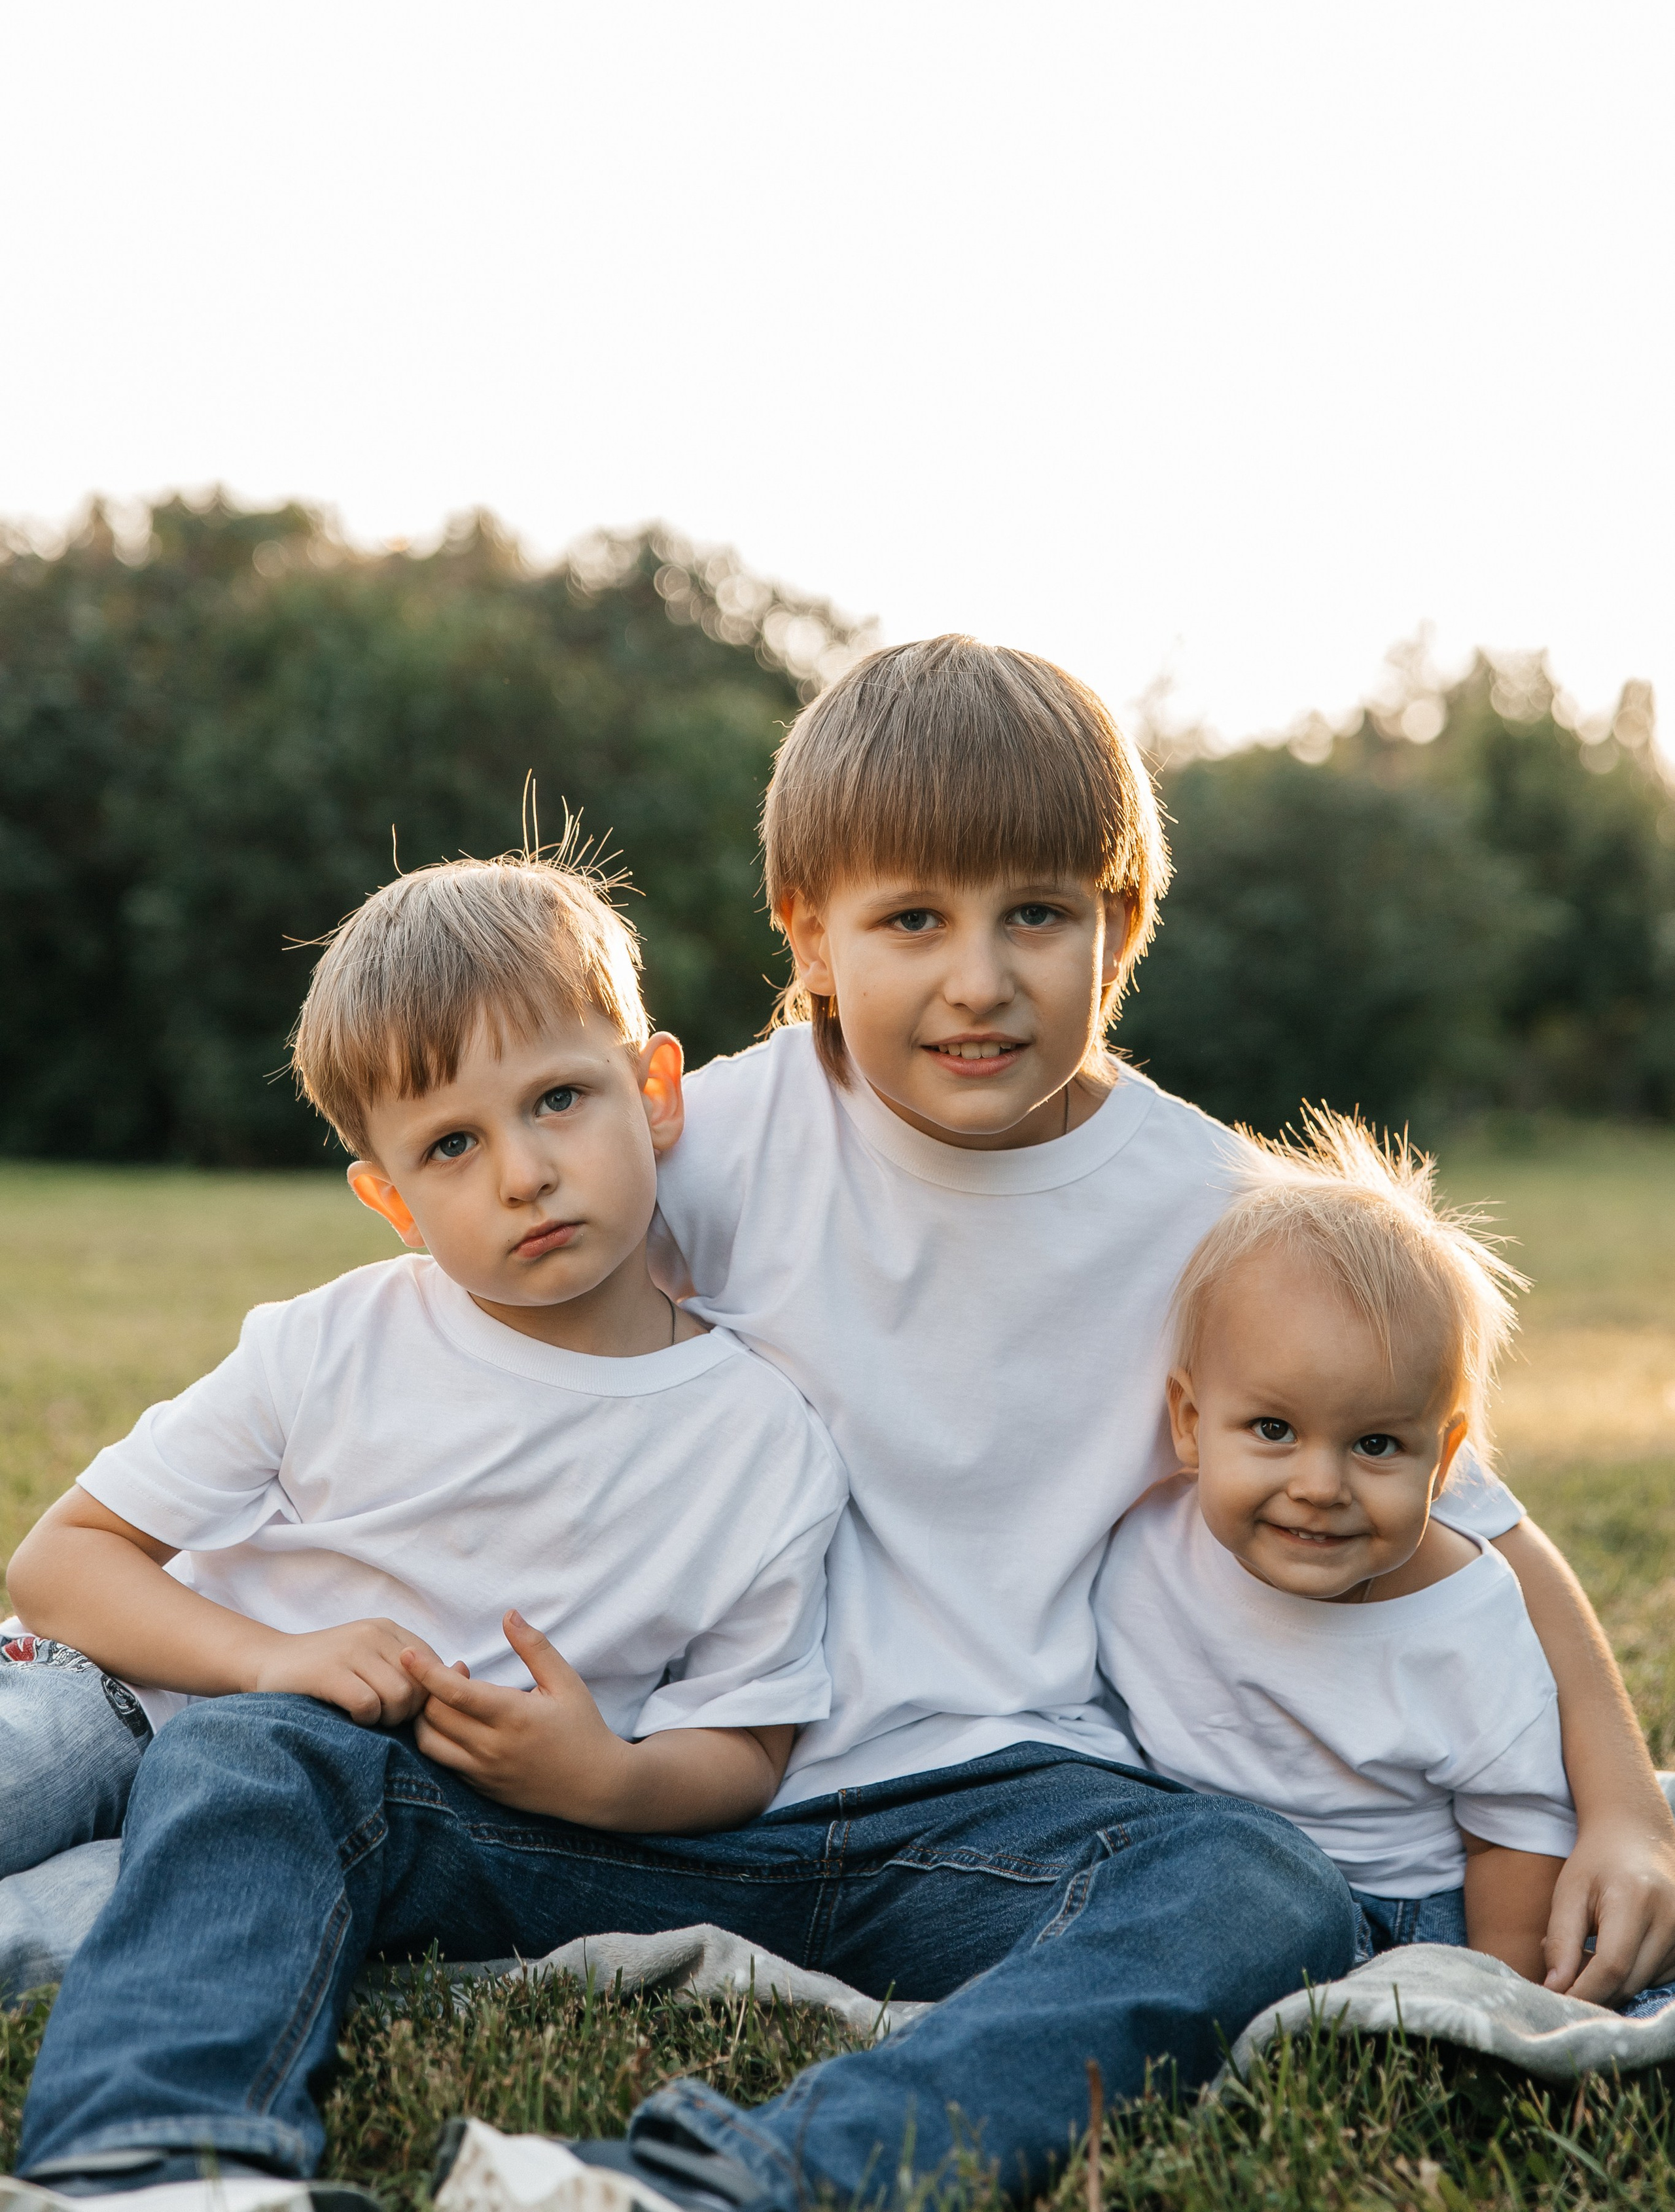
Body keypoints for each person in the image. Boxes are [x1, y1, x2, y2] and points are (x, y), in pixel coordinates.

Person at [14, 641, 1675, 2212]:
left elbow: (1474, 1519)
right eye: (909, 920)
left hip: (982, 1810)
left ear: (1120, 920)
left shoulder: (1216, 1213)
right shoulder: (701, 1136)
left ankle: (731, 2182)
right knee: (268, 1755)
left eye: (1036, 913)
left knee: (1254, 1888)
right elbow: (456, 1306)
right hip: (640, 1775)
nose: (977, 979)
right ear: (808, 938)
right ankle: (155, 2154)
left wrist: (1612, 1808)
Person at [7, 856, 845, 2202]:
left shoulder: (757, 1438)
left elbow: (748, 1741)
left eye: (559, 1100)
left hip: (321, 1830)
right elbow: (60, 1567)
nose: (523, 1173)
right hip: (108, 1692)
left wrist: (608, 1781)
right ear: (390, 1197)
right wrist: (276, 1660)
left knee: (76, 1934)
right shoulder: (339, 1341)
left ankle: (160, 2173)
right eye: (452, 1145)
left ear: (655, 1091)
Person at [1095, 1105, 1588, 1982]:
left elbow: (1515, 1831)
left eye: (1375, 1445)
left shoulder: (1466, 1617)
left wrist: (1496, 1987)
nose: (1320, 1486)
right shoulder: (1143, 1553)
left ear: (1443, 1463)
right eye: (1274, 1429)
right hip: (1205, 1884)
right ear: (1189, 1422)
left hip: (1418, 1909)